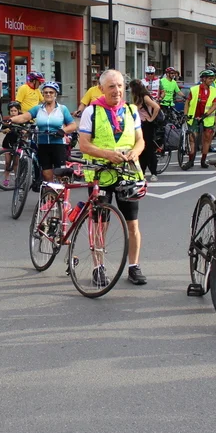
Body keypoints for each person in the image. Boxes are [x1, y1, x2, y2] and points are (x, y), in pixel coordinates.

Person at [79, 69, 148, 286]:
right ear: (101, 89)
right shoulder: (91, 111)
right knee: (100, 224)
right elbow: (84, 144)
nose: (117, 90)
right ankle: (98, 267)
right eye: (111, 86)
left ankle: (134, 266)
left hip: (128, 174)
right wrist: (107, 154)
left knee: (132, 224)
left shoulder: (131, 110)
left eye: (120, 86)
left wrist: (136, 151)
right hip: (100, 174)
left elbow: (140, 140)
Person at [10, 81, 77, 181]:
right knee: (46, 175)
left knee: (61, 176)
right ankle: (49, 191)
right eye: (46, 92)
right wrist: (10, 120)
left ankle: (62, 190)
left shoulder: (62, 109)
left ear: (55, 94)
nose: (48, 94)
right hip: (43, 144)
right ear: (43, 94)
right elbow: (24, 117)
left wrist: (63, 131)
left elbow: (73, 125)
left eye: (51, 92)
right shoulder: (38, 109)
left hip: (58, 144)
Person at [186, 69, 216, 168]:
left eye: (213, 78)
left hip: (207, 118)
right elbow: (187, 102)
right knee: (192, 138)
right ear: (203, 79)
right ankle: (191, 161)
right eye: (210, 78)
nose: (212, 80)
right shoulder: (194, 89)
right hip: (194, 116)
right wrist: (186, 114)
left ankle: (203, 160)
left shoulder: (214, 90)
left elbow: (214, 105)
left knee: (207, 139)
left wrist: (206, 114)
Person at [130, 78, 161, 181]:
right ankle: (142, 172)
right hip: (140, 125)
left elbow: (156, 107)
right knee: (141, 149)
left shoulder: (145, 97)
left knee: (149, 149)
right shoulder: (137, 98)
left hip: (147, 125)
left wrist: (151, 119)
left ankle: (153, 172)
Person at [0, 100, 23, 188]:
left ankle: (17, 178)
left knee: (16, 163)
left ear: (18, 111)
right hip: (8, 144)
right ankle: (6, 179)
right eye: (11, 111)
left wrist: (23, 132)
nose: (13, 112)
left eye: (15, 111)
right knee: (7, 163)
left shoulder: (21, 120)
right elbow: (3, 130)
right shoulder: (8, 121)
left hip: (18, 144)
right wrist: (6, 130)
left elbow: (25, 130)